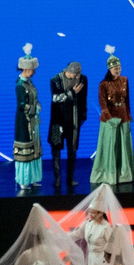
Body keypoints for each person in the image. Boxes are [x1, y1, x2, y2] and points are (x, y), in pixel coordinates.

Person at [90, 49, 134, 190]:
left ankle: (125, 174)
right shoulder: (103, 84)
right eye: (115, 68)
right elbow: (103, 104)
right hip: (109, 119)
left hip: (123, 116)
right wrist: (110, 119)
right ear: (109, 69)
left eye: (119, 68)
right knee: (111, 146)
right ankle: (109, 174)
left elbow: (127, 100)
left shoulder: (125, 80)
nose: (118, 70)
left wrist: (128, 115)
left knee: (124, 145)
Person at [47, 59, 89, 194]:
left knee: (73, 149)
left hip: (74, 120)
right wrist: (71, 93)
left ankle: (70, 178)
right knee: (56, 149)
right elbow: (55, 98)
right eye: (74, 76)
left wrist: (83, 115)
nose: (76, 79)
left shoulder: (83, 79)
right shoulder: (55, 80)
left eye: (78, 76)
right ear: (68, 72)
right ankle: (57, 178)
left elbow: (84, 99)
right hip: (57, 121)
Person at [10, 48, 45, 194]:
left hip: (33, 121)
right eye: (32, 69)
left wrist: (38, 105)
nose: (34, 72)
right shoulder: (20, 85)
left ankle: (34, 178)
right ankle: (24, 180)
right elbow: (21, 106)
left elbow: (34, 99)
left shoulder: (29, 83)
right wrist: (34, 109)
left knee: (35, 148)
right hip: (24, 122)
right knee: (26, 149)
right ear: (25, 69)